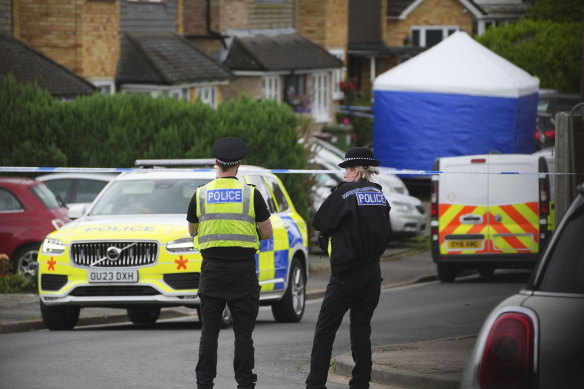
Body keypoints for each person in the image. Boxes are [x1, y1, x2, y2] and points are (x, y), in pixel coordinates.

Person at [186, 137, 273, 389]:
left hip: (212, 271)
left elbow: (192, 230)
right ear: (240, 164)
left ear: (216, 163)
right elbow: (267, 232)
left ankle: (204, 383)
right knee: (243, 335)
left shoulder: (201, 193)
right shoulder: (251, 194)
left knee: (209, 333)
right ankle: (245, 383)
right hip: (243, 271)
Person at [306, 147, 391, 389]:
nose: (344, 174)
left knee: (325, 329)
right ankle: (361, 382)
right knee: (361, 327)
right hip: (372, 272)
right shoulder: (379, 194)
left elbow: (320, 221)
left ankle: (315, 384)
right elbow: (387, 233)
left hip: (346, 273)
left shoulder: (344, 194)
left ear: (355, 170)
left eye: (346, 169)